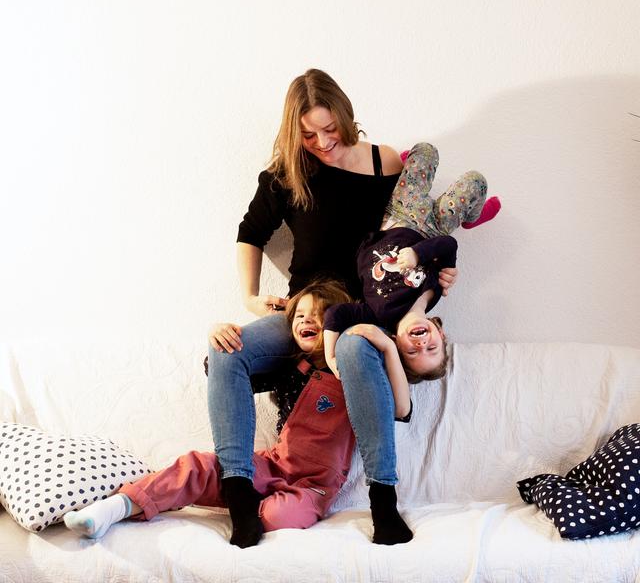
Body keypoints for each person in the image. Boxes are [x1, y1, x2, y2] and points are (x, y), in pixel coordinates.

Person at [208, 68, 458, 547]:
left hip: (365, 308)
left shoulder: (384, 163)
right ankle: (239, 496)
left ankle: (383, 501)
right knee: (227, 351)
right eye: (308, 133)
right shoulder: (289, 172)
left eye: (330, 129)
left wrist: (440, 271)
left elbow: (408, 232)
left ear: (346, 117)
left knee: (358, 349)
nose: (322, 141)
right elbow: (250, 232)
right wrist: (248, 296)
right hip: (304, 306)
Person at [65, 281, 412, 543]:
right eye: (301, 315)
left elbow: (397, 407)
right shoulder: (289, 368)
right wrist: (219, 335)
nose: (308, 320)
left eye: (320, 316)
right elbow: (225, 373)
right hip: (272, 464)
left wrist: (385, 345)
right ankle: (113, 508)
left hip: (313, 487)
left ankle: (230, 505)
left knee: (279, 515)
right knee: (197, 466)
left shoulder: (355, 375)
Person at [323, 141, 501, 379]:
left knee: (425, 150)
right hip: (435, 228)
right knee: (476, 181)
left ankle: (409, 171)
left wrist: (330, 357)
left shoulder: (378, 313)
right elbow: (449, 244)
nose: (421, 345)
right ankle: (471, 217)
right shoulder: (437, 292)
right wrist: (422, 255)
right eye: (432, 348)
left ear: (396, 343)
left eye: (412, 353)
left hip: (398, 215)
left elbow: (335, 315)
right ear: (441, 334)